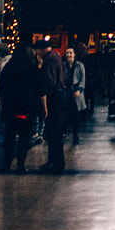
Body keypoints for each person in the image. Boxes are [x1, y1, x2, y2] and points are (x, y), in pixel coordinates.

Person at [0, 40, 47, 173]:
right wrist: (44, 107)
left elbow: (1, 89)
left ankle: (6, 164)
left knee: (10, 136)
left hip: (11, 107)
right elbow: (41, 89)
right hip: (28, 107)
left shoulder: (9, 67)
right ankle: (20, 165)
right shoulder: (33, 68)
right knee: (24, 137)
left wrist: (2, 105)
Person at [35, 39, 68, 173]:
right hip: (60, 96)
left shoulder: (48, 60)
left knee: (54, 133)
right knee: (56, 133)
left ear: (42, 49)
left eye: (37, 50)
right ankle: (53, 162)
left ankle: (56, 164)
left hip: (54, 100)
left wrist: (45, 102)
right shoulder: (56, 56)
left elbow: (49, 81)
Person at [65, 45, 88, 146]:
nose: (69, 55)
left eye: (70, 53)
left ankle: (75, 135)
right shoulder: (63, 65)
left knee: (75, 116)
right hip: (66, 92)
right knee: (66, 114)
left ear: (74, 54)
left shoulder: (80, 65)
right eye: (67, 53)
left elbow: (83, 79)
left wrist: (79, 90)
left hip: (76, 93)